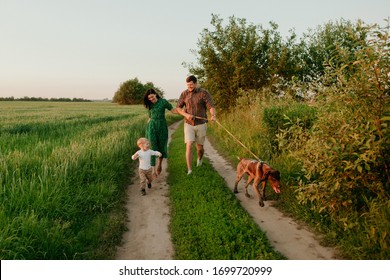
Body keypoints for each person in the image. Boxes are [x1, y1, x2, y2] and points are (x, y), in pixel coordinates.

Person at [176, 75, 216, 175]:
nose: (189, 87)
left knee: (199, 148)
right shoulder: (184, 94)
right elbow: (178, 108)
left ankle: (200, 158)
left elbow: (211, 106)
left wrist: (213, 115)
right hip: (188, 124)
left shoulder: (203, 92)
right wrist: (186, 114)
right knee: (189, 145)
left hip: (201, 123)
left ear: (196, 83)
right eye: (188, 85)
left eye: (191, 85)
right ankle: (189, 170)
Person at [143, 88, 177, 177]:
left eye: (152, 97)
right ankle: (153, 170)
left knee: (162, 146)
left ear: (155, 94)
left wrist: (183, 112)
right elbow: (150, 117)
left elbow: (173, 110)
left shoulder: (163, 102)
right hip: (152, 127)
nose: (151, 99)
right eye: (149, 98)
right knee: (152, 147)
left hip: (162, 126)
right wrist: (147, 128)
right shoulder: (149, 104)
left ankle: (160, 164)